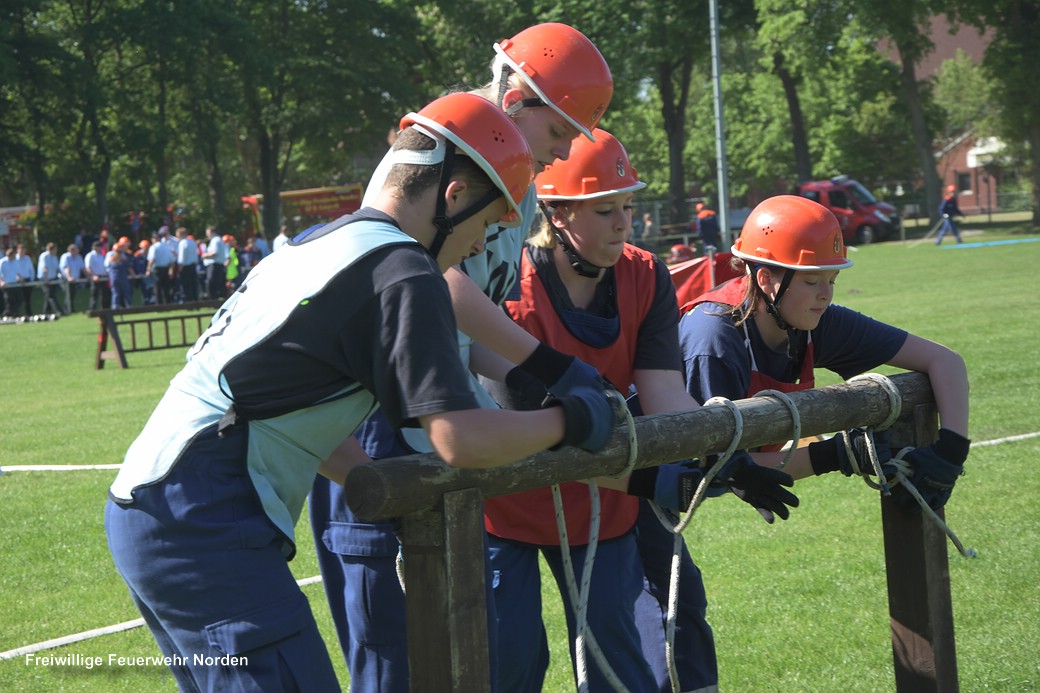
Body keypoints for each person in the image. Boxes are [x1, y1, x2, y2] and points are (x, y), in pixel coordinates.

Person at [105, 92, 618, 693]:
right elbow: (460, 438)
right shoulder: (404, 273)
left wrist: (366, 477)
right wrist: (570, 421)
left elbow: (277, 408)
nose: (480, 247)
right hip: (206, 522)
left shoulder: (315, 243)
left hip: (155, 511)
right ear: (453, 197)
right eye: (484, 225)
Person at [309, 22, 616, 693]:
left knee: (476, 658)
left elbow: (470, 330)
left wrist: (529, 379)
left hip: (446, 415)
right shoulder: (447, 168)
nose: (564, 152)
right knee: (397, 665)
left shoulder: (522, 182)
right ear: (515, 100)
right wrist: (547, 365)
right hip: (378, 429)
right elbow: (435, 290)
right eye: (560, 132)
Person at [667, 194, 970, 687]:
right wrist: (837, 454)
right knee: (663, 620)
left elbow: (945, 362)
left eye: (832, 279)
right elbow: (729, 471)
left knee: (680, 619)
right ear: (766, 278)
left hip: (669, 492)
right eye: (812, 280)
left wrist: (951, 452)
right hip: (615, 487)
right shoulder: (712, 336)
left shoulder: (811, 319)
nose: (825, 294)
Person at [147, 230, 176, 304]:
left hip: (157, 270)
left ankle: (159, 306)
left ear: (155, 238)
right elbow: (172, 260)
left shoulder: (154, 247)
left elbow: (152, 260)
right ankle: (168, 304)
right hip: (166, 269)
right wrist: (171, 270)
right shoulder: (166, 246)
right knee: (166, 288)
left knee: (157, 289)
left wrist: (148, 269)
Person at [105, 237, 134, 308]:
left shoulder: (110, 259)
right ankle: (129, 306)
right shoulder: (123, 259)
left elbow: (107, 267)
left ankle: (115, 308)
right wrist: (133, 274)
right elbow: (129, 267)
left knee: (115, 293)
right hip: (122, 278)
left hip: (113, 278)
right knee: (126, 293)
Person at [201, 226, 228, 299]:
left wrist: (204, 255)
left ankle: (213, 301)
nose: (207, 235)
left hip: (214, 265)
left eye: (208, 233)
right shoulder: (219, 240)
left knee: (211, 283)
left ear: (212, 232)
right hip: (218, 265)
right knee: (218, 283)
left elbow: (214, 253)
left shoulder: (215, 240)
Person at [59, 243, 86, 313]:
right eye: (76, 250)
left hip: (74, 279)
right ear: (72, 250)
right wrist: (69, 277)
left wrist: (89, 276)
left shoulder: (79, 257)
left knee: (72, 294)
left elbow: (83, 268)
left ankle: (69, 310)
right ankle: (68, 310)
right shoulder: (65, 257)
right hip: (65, 279)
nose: (78, 251)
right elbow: (66, 268)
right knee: (68, 294)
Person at [37, 242, 63, 315]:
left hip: (53, 278)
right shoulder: (44, 256)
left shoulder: (54, 257)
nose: (56, 251)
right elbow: (44, 268)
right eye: (55, 249)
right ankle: (59, 311)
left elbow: (57, 268)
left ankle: (46, 312)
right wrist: (46, 279)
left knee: (49, 296)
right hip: (45, 279)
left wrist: (62, 277)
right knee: (51, 296)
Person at [84, 240, 111, 311]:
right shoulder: (90, 255)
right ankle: (92, 310)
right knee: (95, 295)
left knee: (105, 294)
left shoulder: (102, 255)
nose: (101, 248)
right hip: (96, 277)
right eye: (99, 247)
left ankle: (105, 309)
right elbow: (88, 267)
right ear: (95, 247)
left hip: (103, 277)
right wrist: (93, 276)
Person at [175, 227, 199, 302]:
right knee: (194, 284)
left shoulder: (182, 243)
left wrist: (179, 269)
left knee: (186, 285)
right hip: (193, 266)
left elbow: (181, 258)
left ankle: (189, 302)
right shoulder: (192, 242)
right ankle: (196, 301)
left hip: (185, 267)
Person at [13, 243, 35, 316]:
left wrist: (31, 279)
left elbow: (31, 270)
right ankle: (16, 313)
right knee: (18, 299)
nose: (22, 251)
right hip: (18, 281)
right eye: (21, 250)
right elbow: (13, 270)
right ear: (18, 250)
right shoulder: (14, 259)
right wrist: (19, 278)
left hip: (27, 280)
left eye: (24, 250)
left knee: (27, 299)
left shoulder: (27, 258)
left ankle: (28, 314)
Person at [0, 247, 22, 318]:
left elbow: (17, 272)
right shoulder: (3, 262)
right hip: (7, 285)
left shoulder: (15, 262)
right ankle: (8, 314)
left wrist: (20, 278)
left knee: (19, 298)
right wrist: (1, 282)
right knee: (9, 300)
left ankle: (14, 313)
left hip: (15, 283)